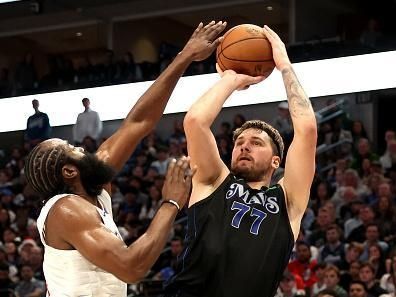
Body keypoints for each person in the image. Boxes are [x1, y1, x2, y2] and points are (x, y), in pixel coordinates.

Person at [23, 20, 227, 296]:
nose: (85, 148)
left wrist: (185, 56)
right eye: (75, 149)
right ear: (70, 172)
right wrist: (171, 203)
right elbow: (131, 267)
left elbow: (138, 122)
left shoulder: (93, 186)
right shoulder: (66, 209)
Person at [165, 25, 317, 297]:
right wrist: (231, 78)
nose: (244, 146)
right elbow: (196, 122)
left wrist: (283, 65)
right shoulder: (214, 182)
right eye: (239, 143)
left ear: (275, 161)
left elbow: (306, 130)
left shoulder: (289, 200)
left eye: (256, 143)